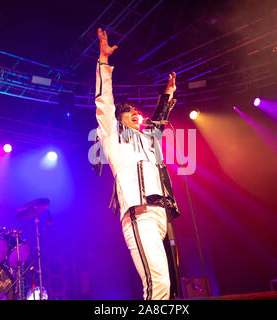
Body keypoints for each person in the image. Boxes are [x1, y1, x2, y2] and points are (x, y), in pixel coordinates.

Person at [94, 28, 181, 300]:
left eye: (138, 114)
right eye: (131, 113)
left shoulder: (148, 139)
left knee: (166, 287)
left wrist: (167, 95)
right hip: (139, 213)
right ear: (120, 119)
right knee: (158, 286)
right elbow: (104, 101)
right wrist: (103, 62)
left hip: (160, 214)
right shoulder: (112, 135)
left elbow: (159, 121)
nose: (137, 116)